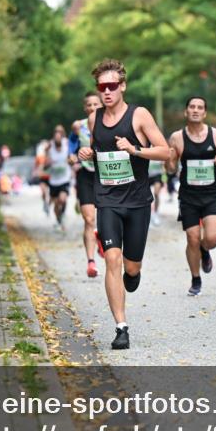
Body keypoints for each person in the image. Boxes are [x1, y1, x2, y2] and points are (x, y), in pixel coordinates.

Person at [77, 59, 169, 350]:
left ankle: (134, 273)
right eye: (101, 87)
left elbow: (165, 152)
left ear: (122, 86)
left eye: (112, 86)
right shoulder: (95, 119)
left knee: (131, 266)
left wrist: (134, 149)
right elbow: (98, 150)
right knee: (112, 260)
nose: (106, 92)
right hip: (106, 199)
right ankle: (121, 327)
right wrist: (88, 153)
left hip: (138, 201)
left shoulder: (139, 115)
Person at [166, 96, 216, 296]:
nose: (195, 110)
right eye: (192, 107)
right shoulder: (177, 137)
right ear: (186, 112)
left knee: (212, 238)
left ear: (204, 113)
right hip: (188, 196)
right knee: (192, 238)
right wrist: (169, 160)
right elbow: (170, 168)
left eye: (199, 107)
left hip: (211, 194)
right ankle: (195, 279)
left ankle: (205, 250)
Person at [71, 92, 103, 277]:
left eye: (95, 104)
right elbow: (72, 144)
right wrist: (71, 156)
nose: (92, 108)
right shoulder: (79, 126)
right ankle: (91, 262)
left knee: (105, 220)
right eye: (89, 105)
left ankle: (102, 239)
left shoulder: (110, 123)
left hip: (104, 173)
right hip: (85, 174)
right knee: (89, 219)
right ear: (85, 108)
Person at [45, 125, 71, 230]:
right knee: (56, 204)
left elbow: (71, 156)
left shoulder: (67, 143)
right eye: (56, 136)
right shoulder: (49, 146)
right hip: (54, 180)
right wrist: (49, 162)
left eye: (60, 135)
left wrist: (71, 161)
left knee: (62, 199)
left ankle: (63, 214)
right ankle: (58, 220)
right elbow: (45, 164)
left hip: (64, 178)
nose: (57, 139)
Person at [35, 139, 50, 215]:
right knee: (44, 192)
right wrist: (36, 172)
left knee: (50, 194)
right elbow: (36, 167)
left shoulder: (51, 156)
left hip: (51, 177)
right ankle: (45, 202)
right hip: (42, 177)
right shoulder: (39, 157)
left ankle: (49, 204)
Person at [148, 159, 165, 226]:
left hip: (157, 174)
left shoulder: (159, 148)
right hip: (147, 175)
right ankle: (148, 215)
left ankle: (156, 213)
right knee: (146, 196)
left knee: (156, 193)